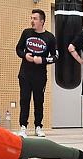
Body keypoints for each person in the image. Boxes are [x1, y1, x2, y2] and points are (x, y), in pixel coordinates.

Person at [16, 8, 57, 138]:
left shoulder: (50, 37)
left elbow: (55, 56)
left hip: (40, 76)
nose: (32, 21)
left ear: (42, 21)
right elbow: (18, 49)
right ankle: (23, 127)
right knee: (24, 100)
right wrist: (24, 55)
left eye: (35, 18)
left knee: (39, 101)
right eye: (31, 18)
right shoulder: (26, 33)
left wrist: (43, 60)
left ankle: (38, 126)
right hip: (25, 74)